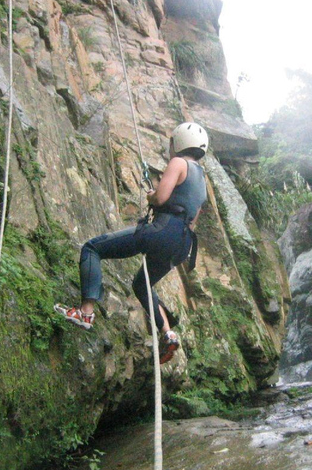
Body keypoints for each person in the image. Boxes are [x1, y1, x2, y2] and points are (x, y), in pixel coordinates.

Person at [55, 122, 208, 364]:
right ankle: (168, 333)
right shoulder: (202, 179)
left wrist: (150, 196)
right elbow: (194, 219)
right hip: (182, 245)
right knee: (142, 285)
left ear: (178, 143)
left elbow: (160, 198)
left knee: (92, 248)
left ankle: (86, 312)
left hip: (163, 231)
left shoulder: (179, 163)